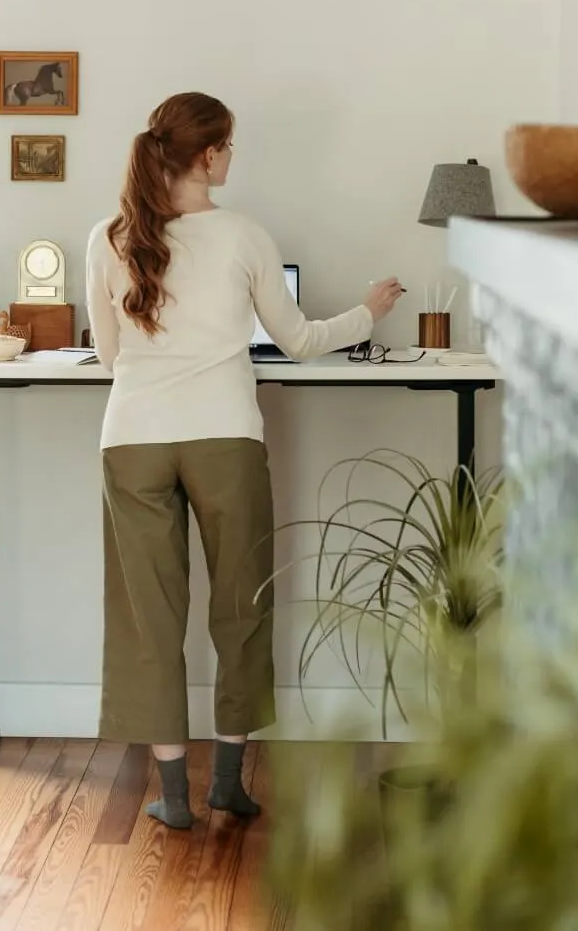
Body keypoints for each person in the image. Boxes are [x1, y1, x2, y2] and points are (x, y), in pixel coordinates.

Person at [84, 91, 403, 830]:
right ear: (206, 154)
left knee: (149, 621)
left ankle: (171, 795)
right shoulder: (242, 235)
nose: (232, 157)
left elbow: (107, 355)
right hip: (225, 435)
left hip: (132, 439)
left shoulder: (106, 235)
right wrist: (369, 312)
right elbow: (300, 340)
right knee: (241, 606)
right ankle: (227, 781)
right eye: (227, 146)